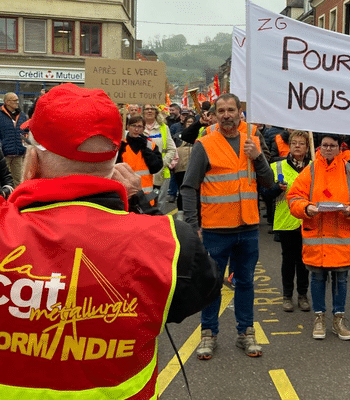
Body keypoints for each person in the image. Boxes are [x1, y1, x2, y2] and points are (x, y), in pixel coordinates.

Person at [0, 83, 221, 399]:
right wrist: (141, 203)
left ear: (32, 161)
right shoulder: (171, 244)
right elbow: (202, 289)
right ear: (114, 164)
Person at [181, 93, 274, 359]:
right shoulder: (205, 144)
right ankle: (208, 334)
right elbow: (189, 187)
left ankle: (246, 333)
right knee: (212, 285)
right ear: (214, 114)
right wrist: (192, 224)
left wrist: (258, 157)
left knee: (245, 283)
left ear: (239, 112)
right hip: (216, 229)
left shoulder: (252, 141)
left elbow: (267, 183)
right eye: (220, 110)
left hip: (247, 228)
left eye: (230, 109)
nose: (226, 115)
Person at [287, 133, 350, 341]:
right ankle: (319, 318)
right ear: (319, 147)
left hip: (342, 239)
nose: (327, 149)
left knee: (341, 280)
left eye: (332, 146)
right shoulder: (310, 171)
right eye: (324, 145)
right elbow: (294, 198)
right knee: (317, 278)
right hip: (317, 237)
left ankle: (338, 319)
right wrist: (307, 208)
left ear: (339, 148)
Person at [269, 130, 312, 312]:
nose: (297, 146)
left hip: (308, 221)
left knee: (305, 261)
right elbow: (265, 195)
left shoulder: (314, 166)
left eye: (301, 143)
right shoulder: (276, 167)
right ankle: (287, 295)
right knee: (288, 260)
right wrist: (276, 189)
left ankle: (302, 295)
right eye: (294, 142)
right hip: (286, 220)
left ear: (307, 147)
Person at [143, 104, 177, 213]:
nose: (149, 111)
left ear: (156, 112)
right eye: (147, 109)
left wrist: (162, 164)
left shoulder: (163, 128)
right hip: (142, 173)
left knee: (159, 203)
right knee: (143, 202)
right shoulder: (137, 127)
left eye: (152, 109)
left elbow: (172, 149)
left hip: (160, 173)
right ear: (142, 112)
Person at [117, 115, 163, 196]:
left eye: (139, 126)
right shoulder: (121, 146)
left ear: (143, 129)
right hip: (126, 192)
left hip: (146, 194)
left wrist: (146, 149)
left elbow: (156, 167)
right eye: (133, 126)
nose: (136, 129)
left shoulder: (150, 145)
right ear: (127, 127)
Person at [0, 92, 28, 186]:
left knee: (19, 180)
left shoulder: (22, 116)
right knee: (4, 180)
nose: (17, 102)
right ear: (7, 102)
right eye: (15, 100)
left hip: (18, 154)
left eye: (17, 100)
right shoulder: (0, 115)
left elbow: (26, 131)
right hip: (4, 154)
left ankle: (17, 199)